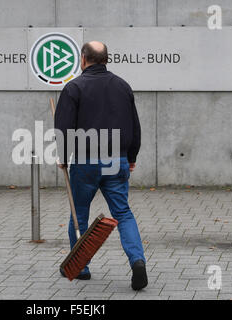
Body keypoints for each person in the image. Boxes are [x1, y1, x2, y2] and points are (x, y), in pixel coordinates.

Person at [54, 41, 148, 290]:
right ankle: (137, 261)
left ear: (83, 59)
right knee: (123, 213)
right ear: (106, 59)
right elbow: (135, 126)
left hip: (86, 162)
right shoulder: (122, 86)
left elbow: (64, 128)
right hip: (116, 160)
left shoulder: (74, 88)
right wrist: (131, 157)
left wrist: (63, 156)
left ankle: (81, 268)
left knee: (80, 212)